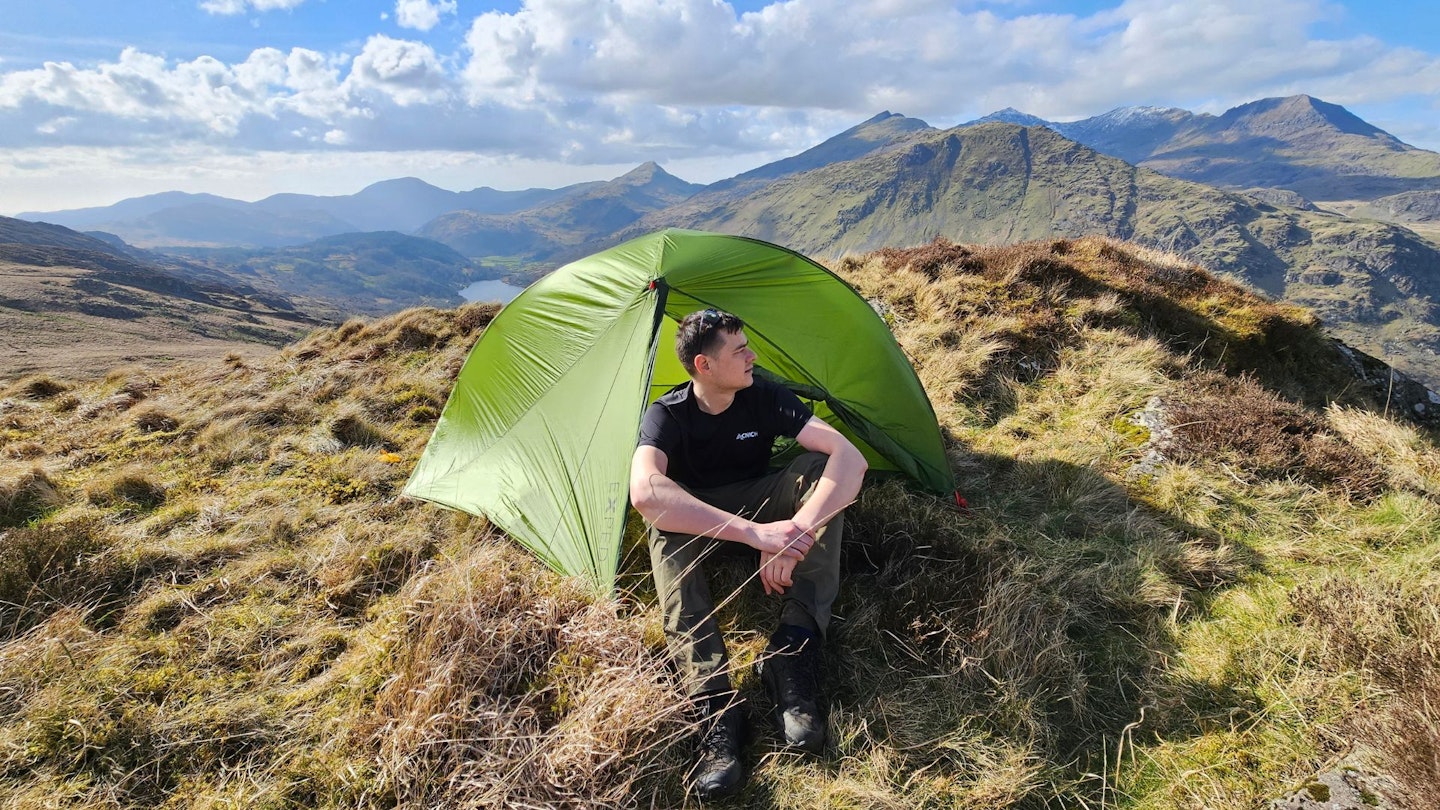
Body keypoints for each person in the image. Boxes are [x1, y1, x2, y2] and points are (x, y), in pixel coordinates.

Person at [629, 308, 867, 801]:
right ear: (704, 365)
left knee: (817, 472)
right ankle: (715, 704)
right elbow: (646, 492)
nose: (752, 356)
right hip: (704, 515)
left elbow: (849, 458)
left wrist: (796, 533)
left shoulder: (763, 394)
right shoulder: (667, 415)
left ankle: (791, 652)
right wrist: (756, 536)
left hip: (762, 496)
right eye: (739, 351)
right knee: (663, 523)